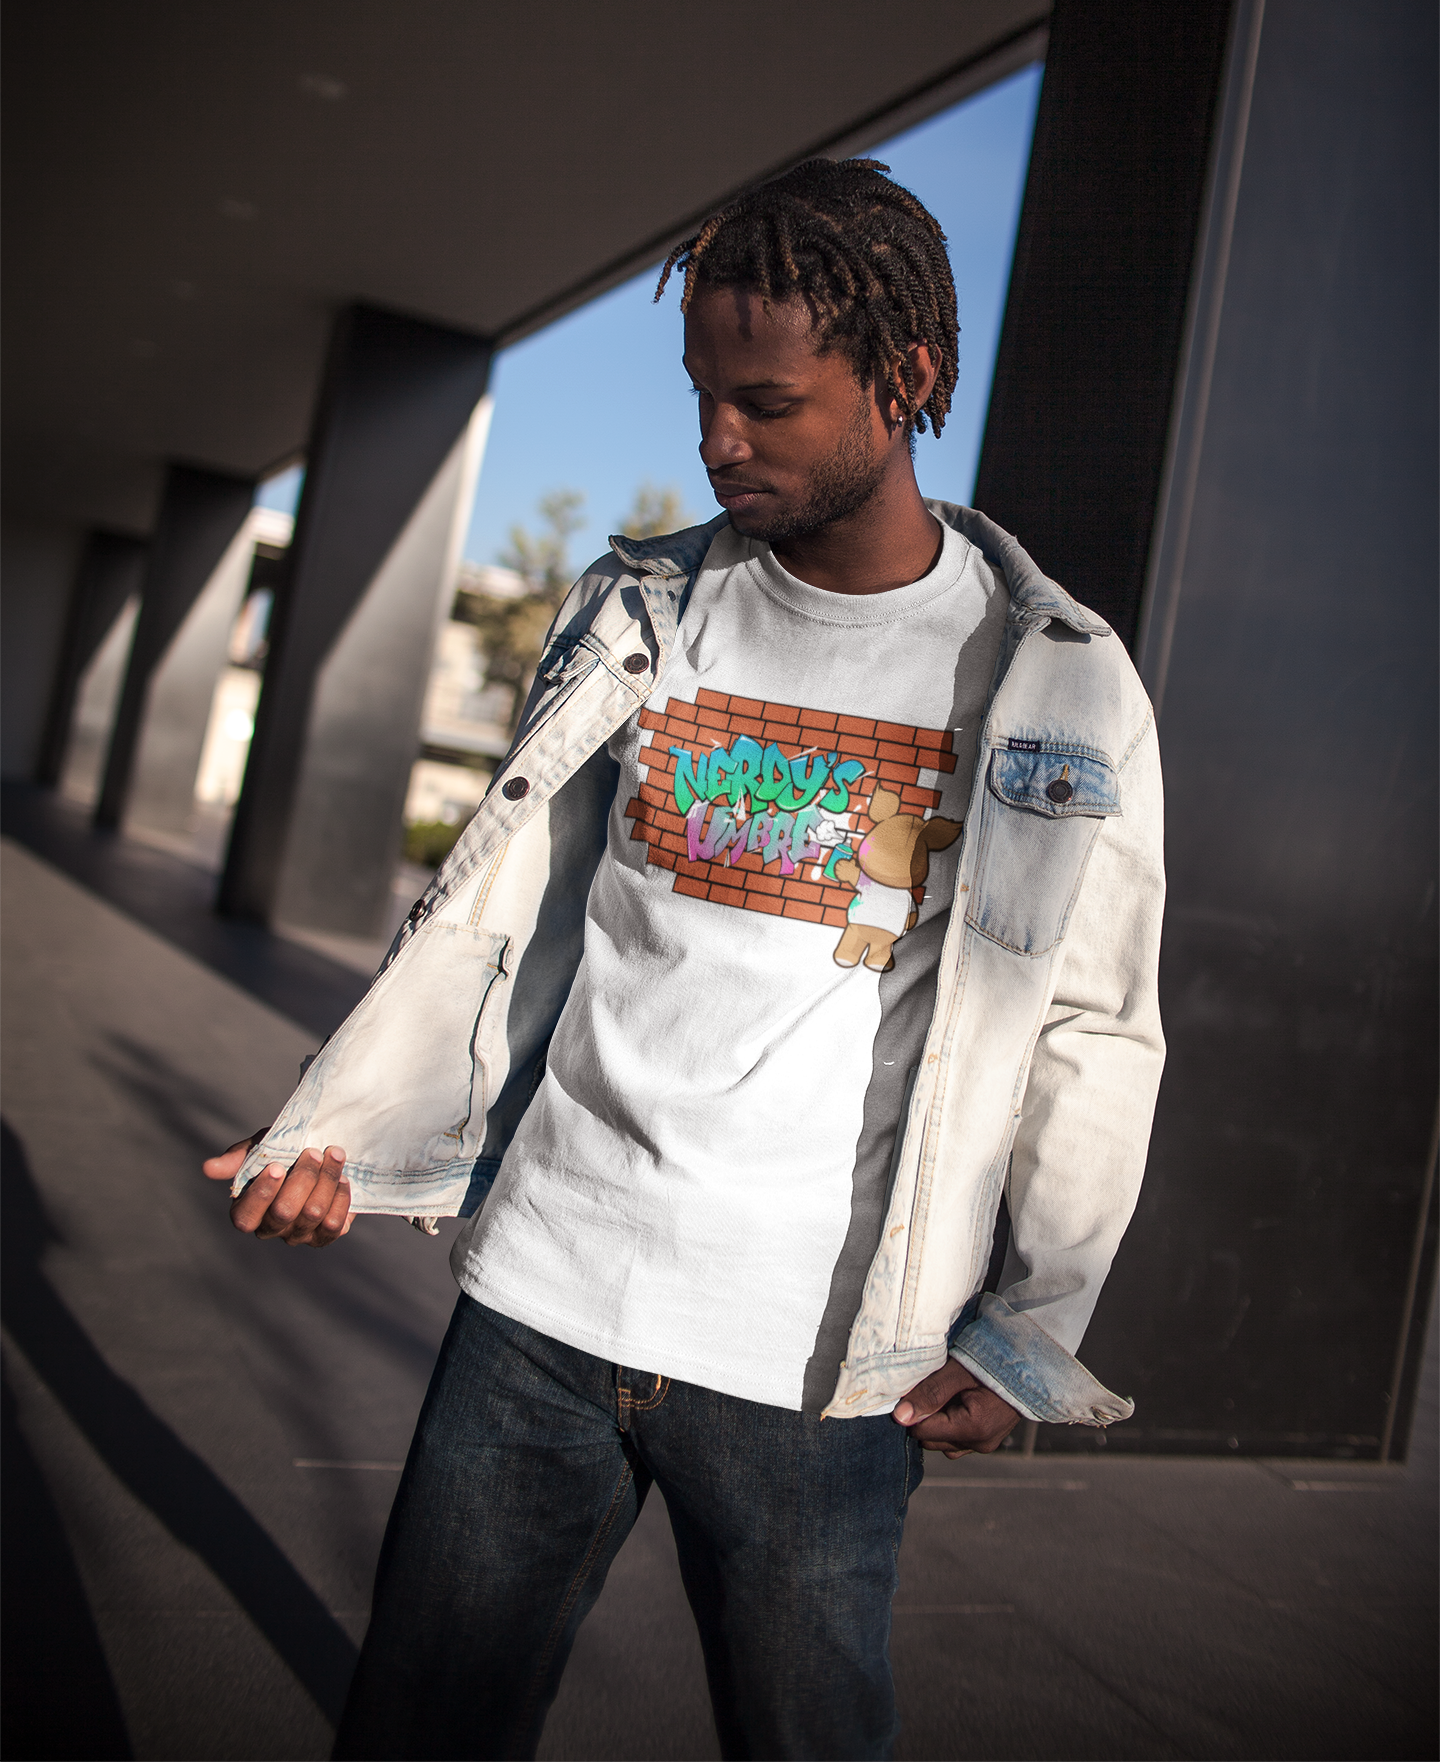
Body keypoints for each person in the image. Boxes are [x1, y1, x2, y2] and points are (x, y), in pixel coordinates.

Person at [206, 157, 1166, 1762]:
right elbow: (504, 919)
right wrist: (344, 1134)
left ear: (908, 379)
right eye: (702, 396)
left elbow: (1092, 1025)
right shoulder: (638, 610)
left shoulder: (1054, 683)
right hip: (535, 1307)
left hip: (814, 1371)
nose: (718, 440)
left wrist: (1032, 1324)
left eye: (767, 404)